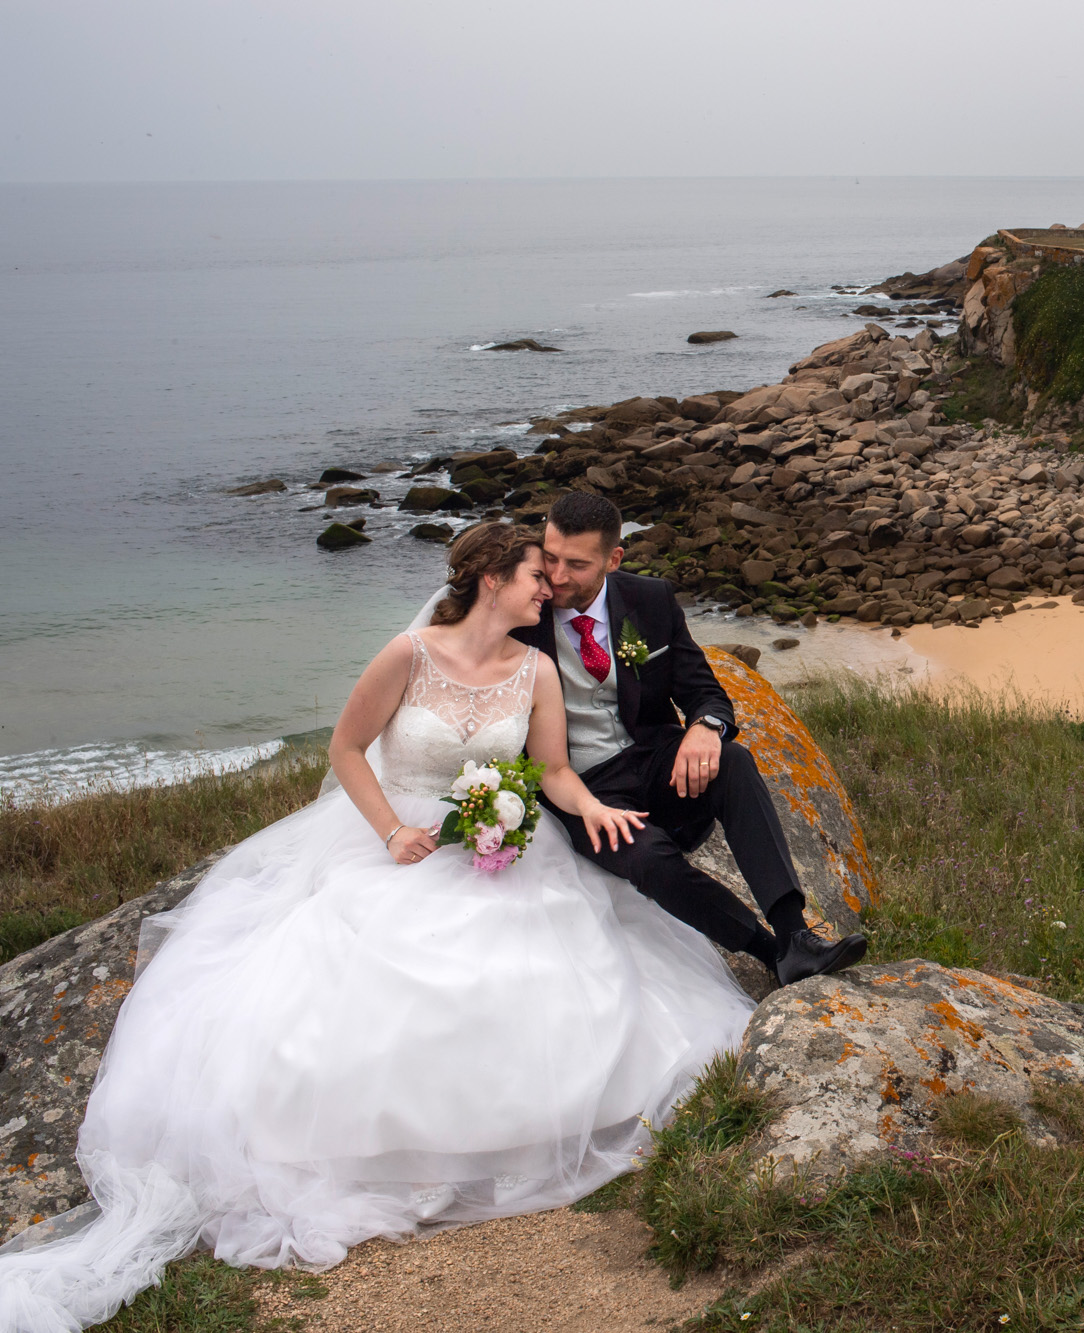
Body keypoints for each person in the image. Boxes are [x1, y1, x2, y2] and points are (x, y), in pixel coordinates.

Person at [0, 524, 758, 1332]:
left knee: (537, 973)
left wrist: (591, 806)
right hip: (399, 842)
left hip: (502, 848)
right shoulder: (409, 653)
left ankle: (493, 1135)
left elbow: (552, 771)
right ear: (493, 580)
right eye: (538, 575)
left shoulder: (536, 669)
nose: (551, 590)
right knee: (366, 978)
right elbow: (348, 747)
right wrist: (392, 829)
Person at [521, 491, 866, 985]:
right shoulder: (522, 615)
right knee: (648, 857)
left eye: (576, 564)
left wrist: (705, 728)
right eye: (550, 557)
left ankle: (795, 934)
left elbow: (705, 691)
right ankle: (770, 954)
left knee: (735, 760)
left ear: (613, 559)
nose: (555, 576)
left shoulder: (650, 599)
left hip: (653, 757)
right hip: (582, 785)